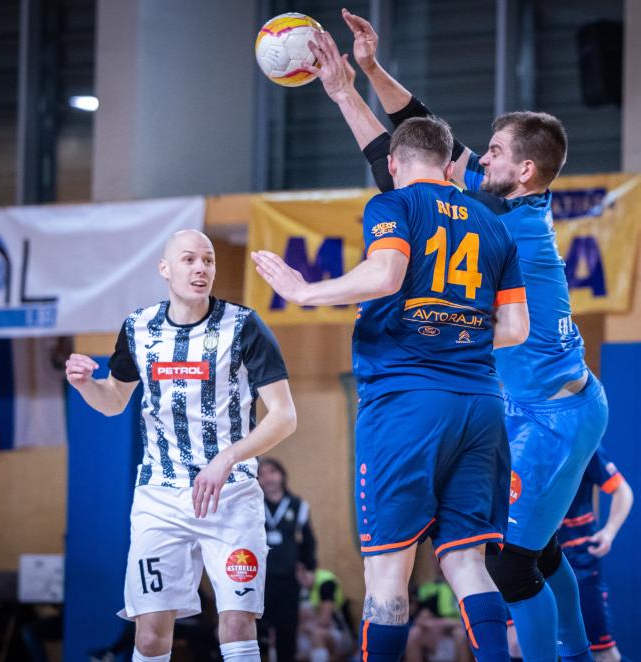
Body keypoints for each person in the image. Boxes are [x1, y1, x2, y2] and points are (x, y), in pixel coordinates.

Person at [308, 15, 609, 661]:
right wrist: (368, 71)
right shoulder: (503, 204)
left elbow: (405, 165)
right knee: (528, 553)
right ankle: (590, 654)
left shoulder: (502, 219)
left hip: (555, 412)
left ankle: (574, 656)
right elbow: (421, 141)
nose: (478, 158)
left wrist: (346, 91)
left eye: (492, 152)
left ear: (524, 169)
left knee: (510, 564)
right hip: (520, 402)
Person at [252, 116, 529, 662]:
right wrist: (458, 331)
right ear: (449, 166)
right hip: (480, 404)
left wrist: (304, 292)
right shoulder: (494, 223)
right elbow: (517, 328)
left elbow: (385, 275)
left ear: (395, 163)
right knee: (467, 562)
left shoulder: (393, 204)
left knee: (386, 571)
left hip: (406, 403)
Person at [65, 229, 297, 662]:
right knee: (149, 635)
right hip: (160, 496)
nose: (201, 268)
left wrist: (227, 458)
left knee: (237, 624)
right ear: (165, 269)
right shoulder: (138, 327)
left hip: (231, 494)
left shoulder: (244, 326)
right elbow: (113, 401)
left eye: (208, 260)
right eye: (189, 259)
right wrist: (84, 386)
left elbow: (285, 416)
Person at [558, 449, 634, 662]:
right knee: (516, 642)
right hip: (527, 558)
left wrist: (609, 532)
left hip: (577, 560)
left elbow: (622, 491)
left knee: (602, 652)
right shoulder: (515, 437)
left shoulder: (582, 441)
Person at [257, 457, 318, 662]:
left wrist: (309, 568)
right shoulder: (253, 505)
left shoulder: (297, 504)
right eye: (262, 474)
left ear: (282, 475)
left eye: (272, 472)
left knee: (287, 631)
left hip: (288, 578)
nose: (268, 478)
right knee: (257, 631)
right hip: (259, 579)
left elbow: (308, 540)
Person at [296, 566, 355, 662]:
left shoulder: (325, 582)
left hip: (341, 633)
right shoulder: (304, 589)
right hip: (316, 632)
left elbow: (324, 621)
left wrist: (307, 627)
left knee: (317, 635)